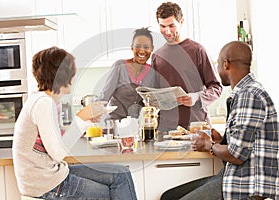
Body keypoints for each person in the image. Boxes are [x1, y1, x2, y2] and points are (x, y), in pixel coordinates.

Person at [12, 46, 137, 200]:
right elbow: (58, 153)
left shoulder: (43, 100)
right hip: (47, 185)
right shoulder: (43, 103)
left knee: (121, 174)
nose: (74, 77)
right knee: (114, 192)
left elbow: (55, 142)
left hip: (52, 175)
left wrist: (87, 120)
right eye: (72, 73)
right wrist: (81, 117)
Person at [161, 41, 279, 199]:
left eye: (218, 63)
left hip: (246, 184)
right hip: (233, 176)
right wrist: (222, 138)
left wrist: (210, 145)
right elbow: (246, 140)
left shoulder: (249, 95)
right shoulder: (246, 92)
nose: (216, 69)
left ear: (226, 64)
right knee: (169, 196)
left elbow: (237, 155)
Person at [152, 2, 222, 130]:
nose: (167, 31)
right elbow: (154, 92)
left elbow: (216, 87)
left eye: (171, 25)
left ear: (181, 21)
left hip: (196, 126)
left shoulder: (197, 50)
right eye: (162, 26)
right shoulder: (157, 56)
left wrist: (197, 97)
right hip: (167, 129)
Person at [97, 27, 155, 120]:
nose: (142, 51)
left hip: (136, 126)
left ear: (152, 49)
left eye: (146, 47)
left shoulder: (152, 72)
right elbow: (104, 96)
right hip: (115, 124)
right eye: (138, 46)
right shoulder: (119, 66)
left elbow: (151, 101)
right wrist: (89, 116)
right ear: (132, 47)